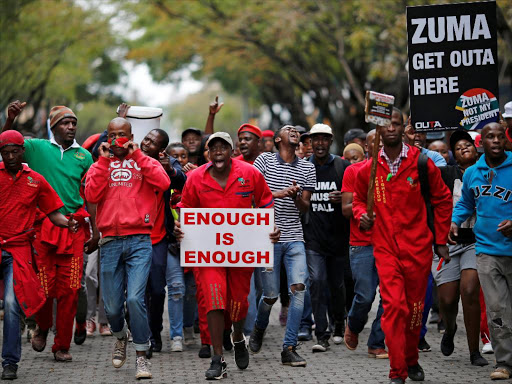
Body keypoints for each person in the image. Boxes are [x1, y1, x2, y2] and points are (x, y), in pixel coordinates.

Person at [352, 108, 452, 384]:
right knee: (395, 307)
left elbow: (443, 200)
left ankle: (411, 358)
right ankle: (398, 370)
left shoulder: (421, 162)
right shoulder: (369, 168)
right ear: (380, 130)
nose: (392, 128)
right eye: (388, 124)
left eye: (397, 123)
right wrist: (363, 216)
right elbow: (358, 201)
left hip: (418, 249)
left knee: (415, 309)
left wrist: (441, 239)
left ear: (404, 127)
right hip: (385, 249)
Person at [174, 132, 278, 380]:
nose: (218, 151)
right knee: (213, 299)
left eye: (224, 147)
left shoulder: (249, 173)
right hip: (208, 253)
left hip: (242, 251)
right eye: (213, 147)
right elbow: (185, 208)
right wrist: (180, 226)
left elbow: (265, 202)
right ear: (208, 153)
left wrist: (271, 226)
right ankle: (217, 358)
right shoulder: (195, 177)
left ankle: (238, 337)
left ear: (232, 152)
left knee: (238, 304)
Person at [2, 101, 98, 362]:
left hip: (74, 227)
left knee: (70, 290)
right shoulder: (35, 147)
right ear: (53, 127)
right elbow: (5, 145)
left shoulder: (84, 156)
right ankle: (42, 327)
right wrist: (10, 119)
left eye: (73, 123)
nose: (71, 127)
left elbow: (90, 194)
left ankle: (62, 345)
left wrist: (96, 231)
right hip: (41, 229)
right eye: (65, 123)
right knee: (43, 289)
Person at [85, 117, 170, 379]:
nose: (117, 139)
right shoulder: (100, 163)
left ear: (131, 135)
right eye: (112, 134)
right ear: (107, 137)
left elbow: (164, 183)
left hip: (139, 241)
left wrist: (139, 156)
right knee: (111, 308)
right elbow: (91, 196)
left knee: (135, 299)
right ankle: (121, 336)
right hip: (109, 242)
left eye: (122, 134)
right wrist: (102, 162)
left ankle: (142, 356)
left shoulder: (146, 161)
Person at [0, 130, 79, 380]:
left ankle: (10, 362)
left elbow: (53, 211)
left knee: (13, 304)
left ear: (23, 151)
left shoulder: (35, 180)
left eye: (15, 151)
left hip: (18, 250)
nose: (11, 156)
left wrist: (68, 223)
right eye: (5, 152)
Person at [250, 125, 316, 367]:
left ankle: (289, 347)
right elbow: (253, 195)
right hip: (267, 236)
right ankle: (259, 327)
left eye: (296, 130)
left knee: (299, 288)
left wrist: (296, 196)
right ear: (278, 139)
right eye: (288, 129)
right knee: (270, 295)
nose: (294, 131)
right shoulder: (264, 161)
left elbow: (305, 207)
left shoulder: (308, 168)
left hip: (294, 236)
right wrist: (279, 193)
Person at [450, 122, 512, 381]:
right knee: (498, 310)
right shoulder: (472, 173)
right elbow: (465, 202)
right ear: (481, 143)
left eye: (500, 136)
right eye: (490, 137)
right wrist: (455, 220)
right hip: (486, 250)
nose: (496, 141)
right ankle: (505, 362)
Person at [433, 130, 488, 366]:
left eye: (467, 145)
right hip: (448, 244)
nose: (463, 148)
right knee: (446, 300)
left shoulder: (487, 173)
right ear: (453, 155)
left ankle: (474, 351)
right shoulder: (445, 174)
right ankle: (450, 328)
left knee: (469, 291)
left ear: (477, 149)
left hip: (475, 242)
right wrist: (437, 240)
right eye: (457, 147)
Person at [301, 124, 350, 352]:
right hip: (313, 238)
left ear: (330, 142)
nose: (319, 144)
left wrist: (344, 199)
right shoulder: (303, 168)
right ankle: (321, 334)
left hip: (338, 236)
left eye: (324, 139)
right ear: (310, 143)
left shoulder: (342, 166)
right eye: (315, 140)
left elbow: (354, 198)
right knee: (317, 281)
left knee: (336, 284)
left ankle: (339, 323)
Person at [341, 129, 388, 359]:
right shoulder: (354, 171)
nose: (378, 147)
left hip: (387, 242)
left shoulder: (392, 172)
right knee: (365, 295)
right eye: (373, 144)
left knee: (389, 296)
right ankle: (354, 323)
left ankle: (376, 341)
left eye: (381, 144)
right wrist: (363, 213)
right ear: (366, 147)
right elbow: (346, 208)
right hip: (361, 243)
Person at [140, 129, 186, 356]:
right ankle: (145, 337)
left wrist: (169, 168)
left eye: (152, 142)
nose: (145, 143)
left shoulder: (166, 162)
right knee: (137, 292)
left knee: (158, 291)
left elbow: (181, 180)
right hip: (133, 237)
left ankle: (155, 331)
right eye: (145, 138)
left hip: (158, 237)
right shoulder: (128, 159)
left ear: (160, 150)